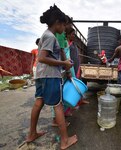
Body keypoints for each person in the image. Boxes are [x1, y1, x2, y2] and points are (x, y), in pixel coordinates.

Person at [26, 5, 78, 149]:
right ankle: (64, 141)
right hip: (50, 76)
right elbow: (42, 58)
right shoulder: (50, 36)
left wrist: (63, 63)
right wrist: (64, 63)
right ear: (57, 22)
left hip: (41, 75)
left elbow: (43, 58)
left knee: (39, 102)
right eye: (63, 24)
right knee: (58, 106)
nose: (64, 28)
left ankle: (31, 134)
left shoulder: (45, 35)